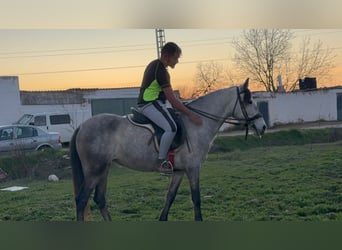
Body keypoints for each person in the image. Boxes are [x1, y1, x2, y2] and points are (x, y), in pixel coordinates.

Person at [137, 42, 202, 175]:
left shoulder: (156, 65)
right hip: (149, 103)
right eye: (176, 57)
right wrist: (190, 114)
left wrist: (181, 106)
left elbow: (171, 99)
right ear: (167, 56)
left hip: (156, 103)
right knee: (171, 127)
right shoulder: (161, 71)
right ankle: (161, 163)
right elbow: (172, 100)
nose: (177, 61)